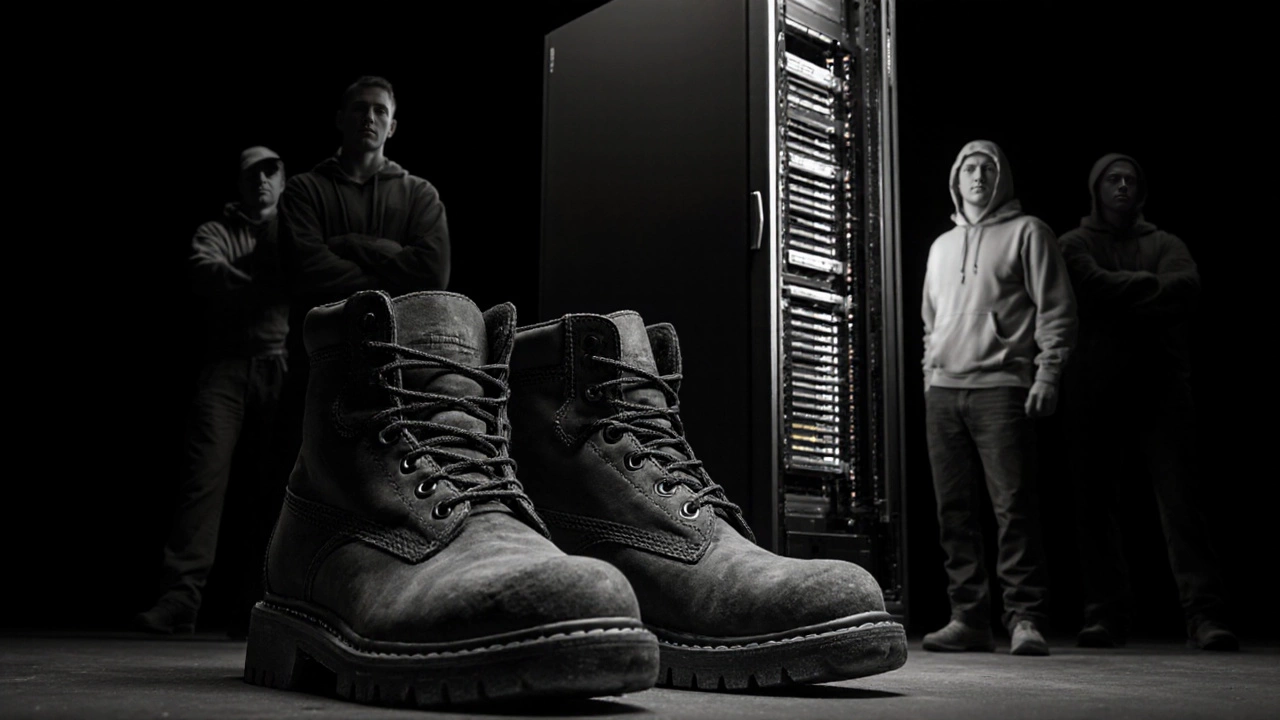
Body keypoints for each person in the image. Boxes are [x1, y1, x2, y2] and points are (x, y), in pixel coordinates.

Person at [1058, 153, 1237, 651]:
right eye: (1112, 179)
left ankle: (1206, 616)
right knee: (1095, 509)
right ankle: (1105, 615)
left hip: (1162, 389)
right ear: (1096, 189)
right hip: (1094, 389)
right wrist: (1151, 291)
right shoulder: (1073, 243)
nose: (1121, 186)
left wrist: (1125, 295)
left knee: (1182, 505)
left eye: (1130, 180)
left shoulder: (1167, 242)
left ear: (1141, 191)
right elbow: (1087, 287)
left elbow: (1189, 288)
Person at [920, 140, 1077, 656]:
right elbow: (929, 322)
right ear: (956, 177)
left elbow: (1056, 309)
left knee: (1013, 508)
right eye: (969, 167)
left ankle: (1026, 618)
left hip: (1004, 390)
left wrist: (1047, 375)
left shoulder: (1029, 232)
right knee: (954, 512)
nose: (978, 175)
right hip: (944, 391)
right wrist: (929, 373)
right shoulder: (942, 246)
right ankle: (968, 618)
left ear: (1002, 177)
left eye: (988, 167)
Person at [135, 146, 290, 637]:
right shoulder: (215, 232)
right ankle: (180, 600)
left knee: (277, 489)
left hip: (280, 365)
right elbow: (207, 272)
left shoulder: (292, 228)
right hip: (225, 369)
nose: (262, 181)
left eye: (272, 172)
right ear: (240, 183)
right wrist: (268, 281)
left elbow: (314, 274)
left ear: (284, 181)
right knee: (202, 484)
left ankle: (268, 601)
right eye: (253, 174)